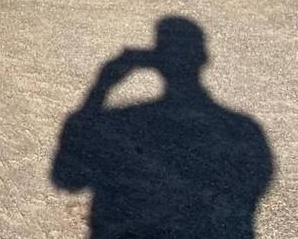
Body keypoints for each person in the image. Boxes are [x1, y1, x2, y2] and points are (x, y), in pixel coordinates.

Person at [52, 17, 272, 238]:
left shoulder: (119, 122)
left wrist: (101, 88)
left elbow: (67, 179)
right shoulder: (245, 131)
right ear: (203, 58)